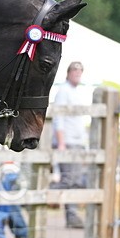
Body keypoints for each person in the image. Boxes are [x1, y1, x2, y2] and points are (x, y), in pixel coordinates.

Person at [52, 61, 91, 228]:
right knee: (68, 180)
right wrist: (61, 142)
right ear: (68, 73)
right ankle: (42, 193)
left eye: (79, 72)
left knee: (75, 180)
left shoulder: (77, 92)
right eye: (74, 71)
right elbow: (58, 117)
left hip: (77, 142)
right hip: (67, 142)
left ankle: (72, 216)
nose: (77, 74)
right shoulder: (63, 91)